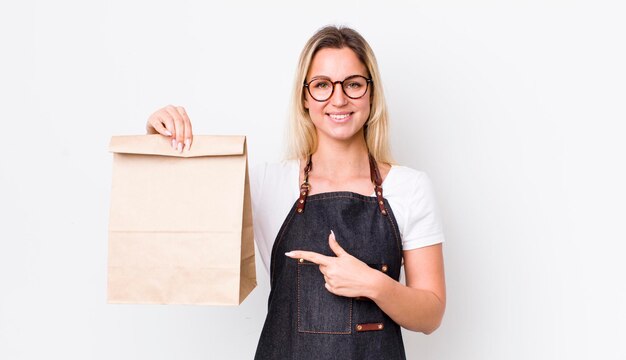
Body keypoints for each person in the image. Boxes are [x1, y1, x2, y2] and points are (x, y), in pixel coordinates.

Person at [146, 26, 445, 360]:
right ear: (304, 98)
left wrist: (374, 284)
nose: (339, 98)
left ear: (371, 93)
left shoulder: (409, 188)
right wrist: (162, 143)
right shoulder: (267, 184)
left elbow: (431, 314)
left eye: (354, 84)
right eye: (321, 85)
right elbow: (180, 227)